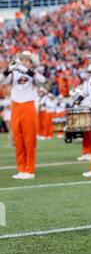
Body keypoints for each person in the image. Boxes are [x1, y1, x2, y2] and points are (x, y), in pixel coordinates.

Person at [0, 51, 46, 179]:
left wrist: (27, 71)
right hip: (16, 107)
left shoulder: (34, 75)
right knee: (18, 140)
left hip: (28, 106)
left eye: (26, 60)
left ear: (31, 63)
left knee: (29, 140)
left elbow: (42, 80)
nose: (23, 62)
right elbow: (1, 79)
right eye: (23, 60)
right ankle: (21, 169)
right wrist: (8, 69)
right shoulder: (15, 73)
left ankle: (30, 170)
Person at [77, 64, 91, 162]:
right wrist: (78, 100)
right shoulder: (87, 83)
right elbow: (83, 93)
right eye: (89, 72)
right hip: (85, 108)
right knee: (85, 133)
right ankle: (85, 152)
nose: (90, 74)